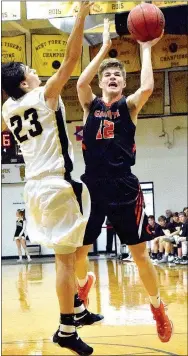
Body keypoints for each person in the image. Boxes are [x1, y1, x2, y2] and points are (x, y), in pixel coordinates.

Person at [2, 3, 103, 355]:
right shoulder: (43, 96)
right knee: (65, 259)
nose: (38, 72)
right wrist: (81, 17)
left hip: (36, 186)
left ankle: (78, 308)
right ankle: (66, 329)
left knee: (73, 250)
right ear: (25, 82)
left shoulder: (8, 108)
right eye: (32, 70)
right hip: (54, 185)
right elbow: (71, 58)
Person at [76, 19, 173, 342]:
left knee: (140, 253)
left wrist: (145, 49)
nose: (114, 77)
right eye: (108, 75)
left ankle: (157, 307)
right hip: (92, 186)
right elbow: (80, 83)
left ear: (123, 81)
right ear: (101, 82)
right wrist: (103, 48)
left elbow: (146, 88)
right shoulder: (90, 105)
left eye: (118, 74)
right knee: (79, 251)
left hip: (123, 186)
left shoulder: (128, 106)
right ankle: (83, 286)